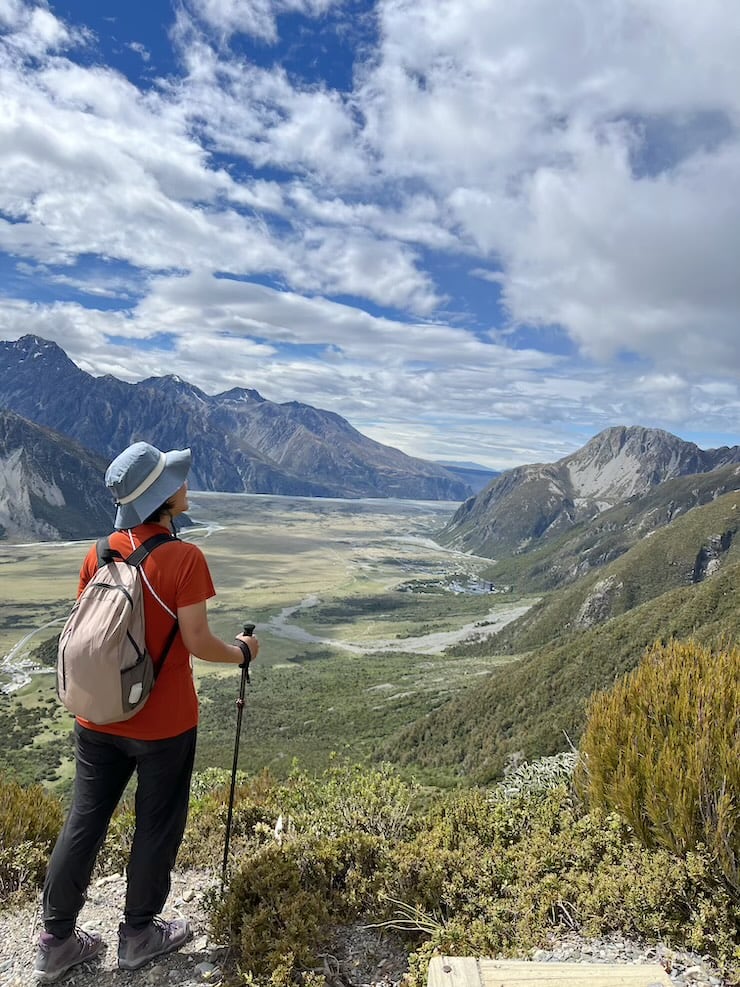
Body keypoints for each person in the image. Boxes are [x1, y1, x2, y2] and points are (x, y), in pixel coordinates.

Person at [34, 441, 259, 983]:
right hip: (164, 723)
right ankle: (137, 936)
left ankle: (55, 940)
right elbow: (198, 641)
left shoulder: (101, 550)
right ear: (162, 497)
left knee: (85, 820)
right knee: (156, 826)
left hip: (96, 715)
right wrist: (242, 654)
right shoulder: (185, 557)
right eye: (175, 480)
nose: (184, 485)